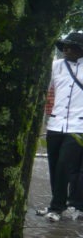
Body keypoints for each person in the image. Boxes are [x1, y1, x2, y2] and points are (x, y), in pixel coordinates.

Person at [40, 32, 83, 221]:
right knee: (54, 165)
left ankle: (57, 208)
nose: (66, 50)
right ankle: (57, 203)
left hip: (78, 126)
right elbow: (44, 89)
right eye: (64, 46)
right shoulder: (56, 67)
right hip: (55, 124)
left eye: (71, 46)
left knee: (65, 165)